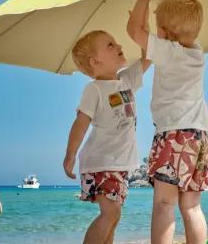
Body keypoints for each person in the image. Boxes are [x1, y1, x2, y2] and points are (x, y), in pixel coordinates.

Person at [127, 0, 208, 244]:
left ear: (165, 34)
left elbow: (134, 31)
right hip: (202, 136)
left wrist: (142, 0)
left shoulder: (168, 52)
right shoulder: (197, 53)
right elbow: (146, 39)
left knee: (165, 203)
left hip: (175, 134)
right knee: (191, 207)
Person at [63, 29, 150, 244]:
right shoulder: (95, 89)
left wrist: (142, 24)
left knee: (114, 216)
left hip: (120, 164)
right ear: (95, 62)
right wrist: (70, 155)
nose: (119, 46)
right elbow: (81, 123)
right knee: (110, 213)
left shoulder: (126, 80)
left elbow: (148, 56)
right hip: (101, 162)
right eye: (110, 45)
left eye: (116, 42)